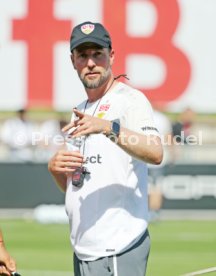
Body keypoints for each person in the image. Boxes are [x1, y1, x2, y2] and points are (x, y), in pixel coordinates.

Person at [48, 21, 163, 276]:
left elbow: (156, 153)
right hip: (84, 248)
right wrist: (56, 169)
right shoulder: (80, 108)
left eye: (97, 54)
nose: (90, 63)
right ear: (72, 60)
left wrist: (107, 127)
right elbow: (76, 184)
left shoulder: (130, 100)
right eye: (83, 55)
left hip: (117, 247)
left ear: (111, 56)